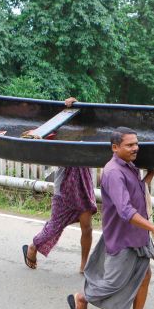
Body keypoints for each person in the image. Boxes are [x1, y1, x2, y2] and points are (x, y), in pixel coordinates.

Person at [67, 127, 154, 309]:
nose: (135, 148)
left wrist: (149, 175)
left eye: (136, 144)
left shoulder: (129, 167)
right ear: (115, 148)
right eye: (130, 145)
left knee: (145, 275)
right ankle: (82, 298)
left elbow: (136, 192)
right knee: (113, 282)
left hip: (137, 233)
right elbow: (125, 210)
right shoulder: (113, 172)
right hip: (123, 236)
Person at [22, 97, 97, 273]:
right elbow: (34, 135)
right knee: (55, 226)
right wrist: (63, 111)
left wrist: (77, 105)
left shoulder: (86, 131)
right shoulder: (57, 129)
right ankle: (33, 246)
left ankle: (84, 265)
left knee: (87, 227)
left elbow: (93, 122)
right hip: (65, 186)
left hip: (84, 184)